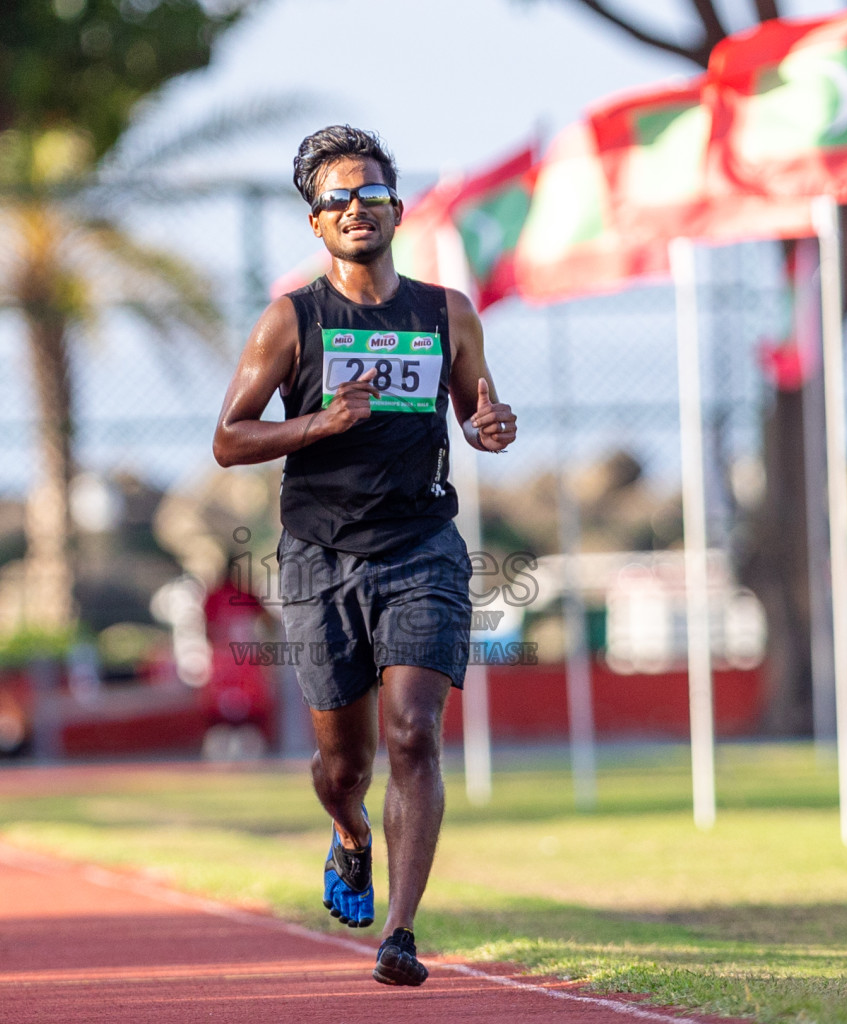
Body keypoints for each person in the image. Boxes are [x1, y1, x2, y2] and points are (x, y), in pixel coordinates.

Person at [212, 125, 517, 986]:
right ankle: (347, 833)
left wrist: (489, 427)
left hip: (422, 547)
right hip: (319, 556)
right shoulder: (293, 320)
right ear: (315, 222)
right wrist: (322, 423)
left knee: (413, 735)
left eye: (370, 194)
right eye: (336, 199)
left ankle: (402, 933)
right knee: (344, 765)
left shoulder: (446, 312)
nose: (355, 208)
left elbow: (475, 411)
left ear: (396, 206)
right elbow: (229, 438)